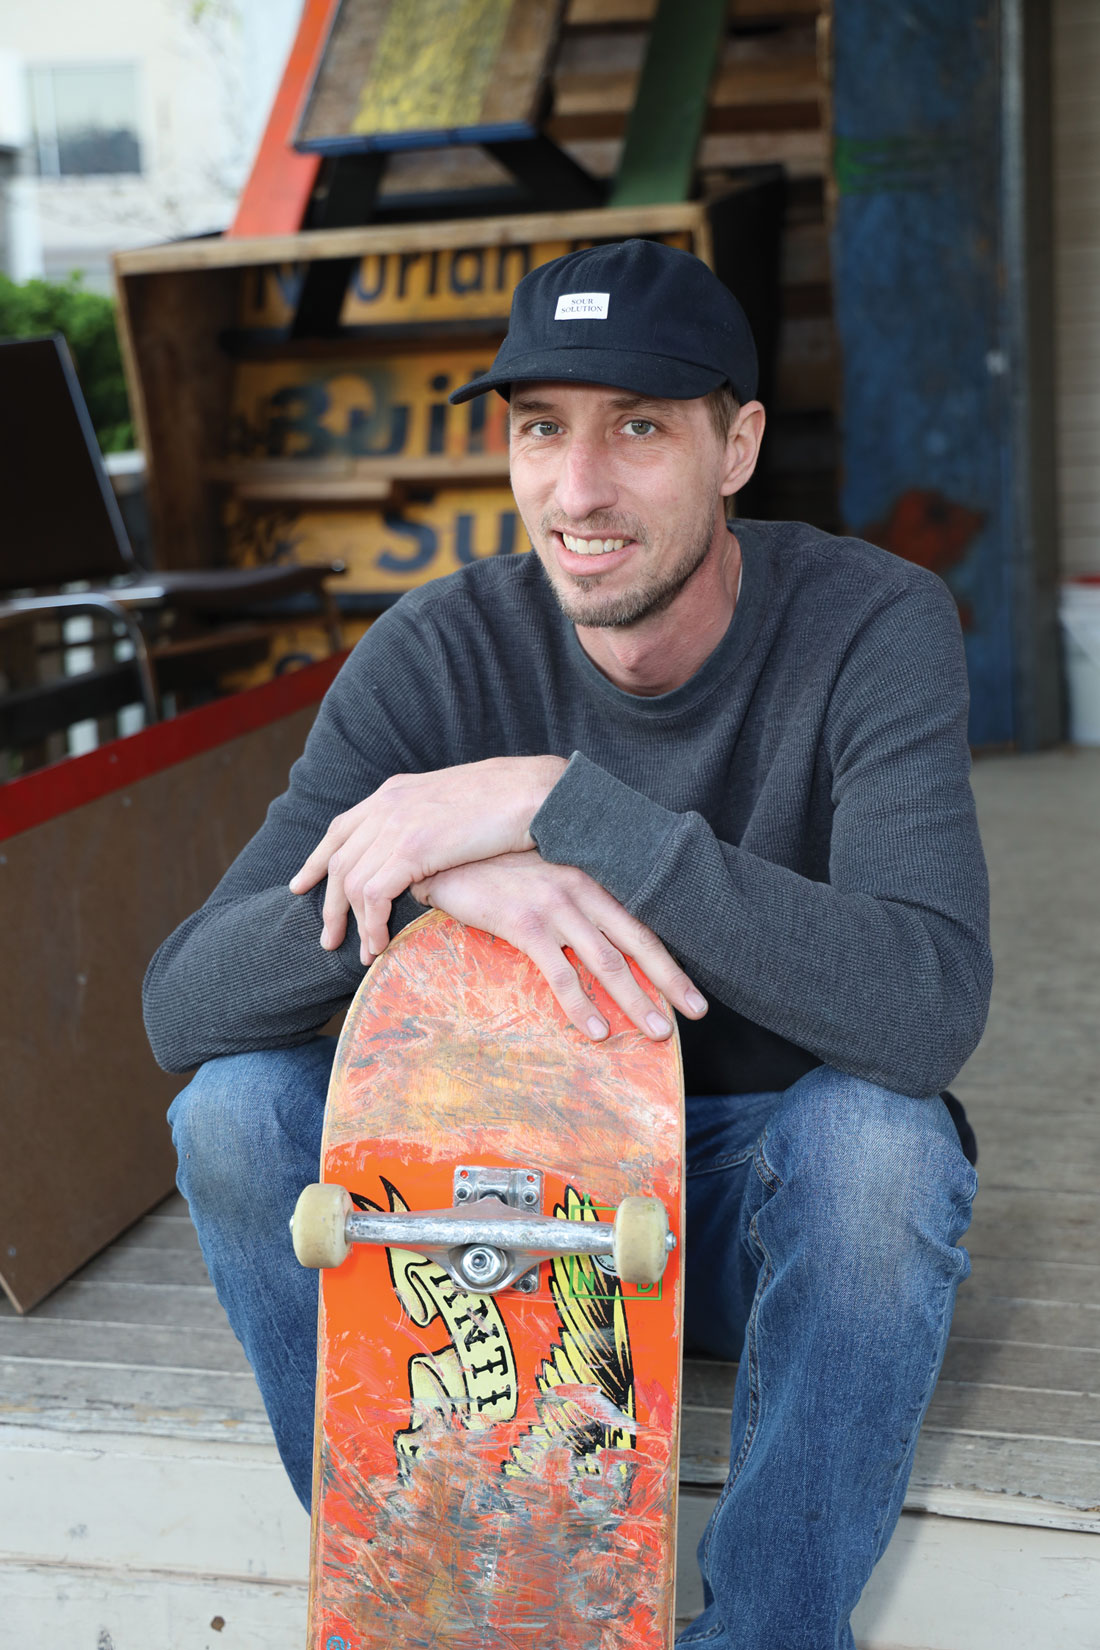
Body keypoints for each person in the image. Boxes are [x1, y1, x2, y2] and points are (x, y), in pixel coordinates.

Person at [144, 238, 990, 1650]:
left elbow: (928, 1006)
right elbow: (185, 1000)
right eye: (543, 428)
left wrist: (560, 804)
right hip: (494, 1212)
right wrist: (435, 881)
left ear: (737, 446)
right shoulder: (437, 651)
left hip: (754, 1209)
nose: (578, 488)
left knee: (884, 1148)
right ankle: (420, 1590)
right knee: (235, 1111)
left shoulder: (873, 623)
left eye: (638, 428)